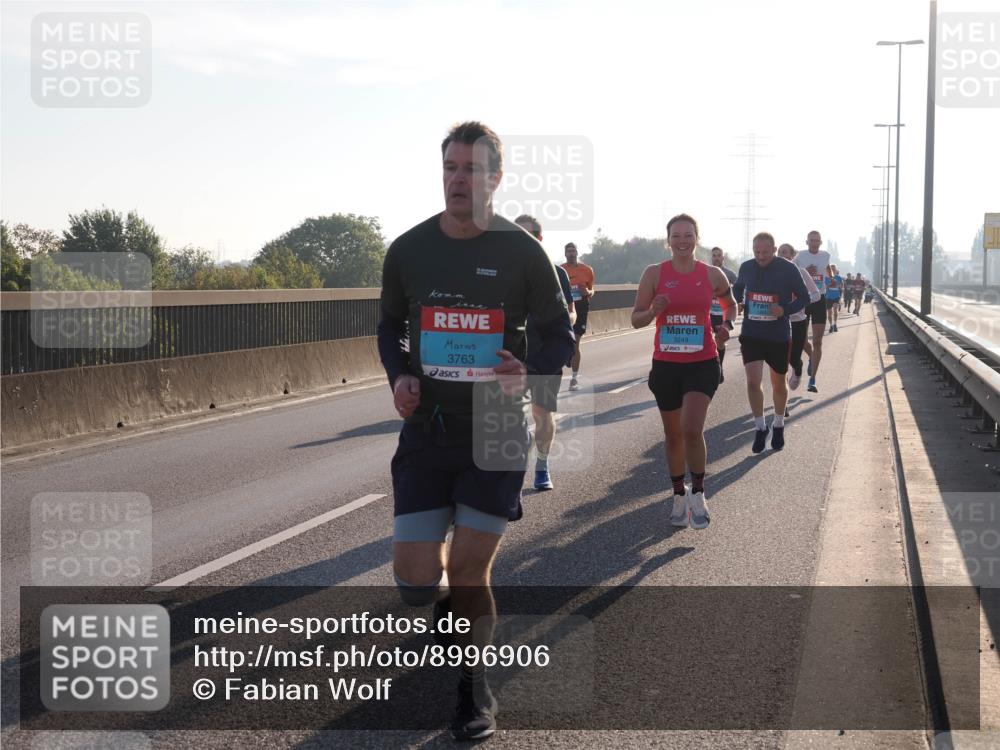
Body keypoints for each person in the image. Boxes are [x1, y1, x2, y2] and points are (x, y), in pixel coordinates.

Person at [377, 121, 574, 741]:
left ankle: (472, 686)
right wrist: (399, 376)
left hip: (495, 424)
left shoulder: (523, 252)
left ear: (496, 177)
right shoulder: (408, 250)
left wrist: (531, 370)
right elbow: (391, 329)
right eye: (450, 169)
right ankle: (444, 612)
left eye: (470, 170)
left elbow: (559, 336)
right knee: (414, 581)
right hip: (428, 428)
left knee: (469, 572)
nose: (458, 180)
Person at [632, 214, 736, 529]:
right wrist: (653, 311)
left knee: (692, 428)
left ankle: (699, 493)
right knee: (673, 434)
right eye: (676, 236)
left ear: (697, 238)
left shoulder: (712, 274)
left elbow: (730, 303)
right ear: (668, 240)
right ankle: (679, 495)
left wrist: (726, 326)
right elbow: (636, 319)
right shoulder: (654, 274)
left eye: (688, 235)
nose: (682, 241)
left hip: (702, 361)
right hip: (666, 364)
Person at [515, 214, 576, 491]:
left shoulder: (556, 273)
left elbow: (570, 311)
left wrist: (567, 321)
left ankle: (542, 463)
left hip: (544, 354)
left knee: (541, 414)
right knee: (503, 419)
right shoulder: (499, 272)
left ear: (540, 239)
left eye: (530, 236)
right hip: (509, 356)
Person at [734, 233, 810, 453]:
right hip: (751, 333)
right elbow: (738, 287)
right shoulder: (746, 267)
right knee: (752, 381)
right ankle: (760, 427)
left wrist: (784, 310)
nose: (761, 256)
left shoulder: (788, 269)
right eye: (756, 252)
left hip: (777, 335)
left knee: (778, 384)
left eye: (765, 252)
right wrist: (738, 301)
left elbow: (805, 297)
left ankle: (778, 424)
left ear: (774, 250)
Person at [777, 244, 822, 392]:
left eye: (785, 252)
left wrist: (801, 301)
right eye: (779, 252)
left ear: (792, 256)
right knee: (780, 361)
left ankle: (798, 368)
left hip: (798, 321)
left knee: (793, 358)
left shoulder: (801, 273)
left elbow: (816, 294)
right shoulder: (772, 274)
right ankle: (782, 404)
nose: (782, 255)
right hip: (778, 321)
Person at [792, 230, 831, 393]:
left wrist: (830, 279)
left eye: (817, 240)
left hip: (819, 299)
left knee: (817, 341)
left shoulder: (825, 255)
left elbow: (828, 271)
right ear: (806, 242)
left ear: (820, 242)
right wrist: (807, 271)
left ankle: (813, 380)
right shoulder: (799, 257)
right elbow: (792, 272)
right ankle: (810, 358)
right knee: (800, 341)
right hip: (804, 299)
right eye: (811, 240)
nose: (814, 243)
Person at [561, 242, 595, 391]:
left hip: (581, 307)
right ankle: (567, 355)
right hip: (564, 308)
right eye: (568, 251)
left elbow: (592, 290)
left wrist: (587, 292)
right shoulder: (560, 270)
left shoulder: (587, 270)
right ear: (565, 254)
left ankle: (574, 379)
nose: (571, 254)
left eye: (573, 251)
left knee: (576, 343)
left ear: (577, 253)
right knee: (563, 342)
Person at [710, 246, 739, 384]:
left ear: (723, 257)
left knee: (719, 341)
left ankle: (719, 366)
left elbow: (740, 288)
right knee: (706, 342)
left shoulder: (730, 274)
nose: (716, 258)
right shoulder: (707, 272)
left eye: (718, 255)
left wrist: (739, 301)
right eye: (714, 255)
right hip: (709, 314)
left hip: (723, 313)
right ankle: (709, 368)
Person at [825, 264, 843, 333]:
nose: (832, 270)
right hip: (828, 297)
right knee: (829, 313)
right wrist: (830, 284)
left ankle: (835, 324)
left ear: (836, 270)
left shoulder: (838, 277)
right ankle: (831, 325)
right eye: (831, 269)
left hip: (836, 297)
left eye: (834, 269)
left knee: (835, 310)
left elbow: (841, 286)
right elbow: (824, 287)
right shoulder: (826, 278)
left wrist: (837, 284)